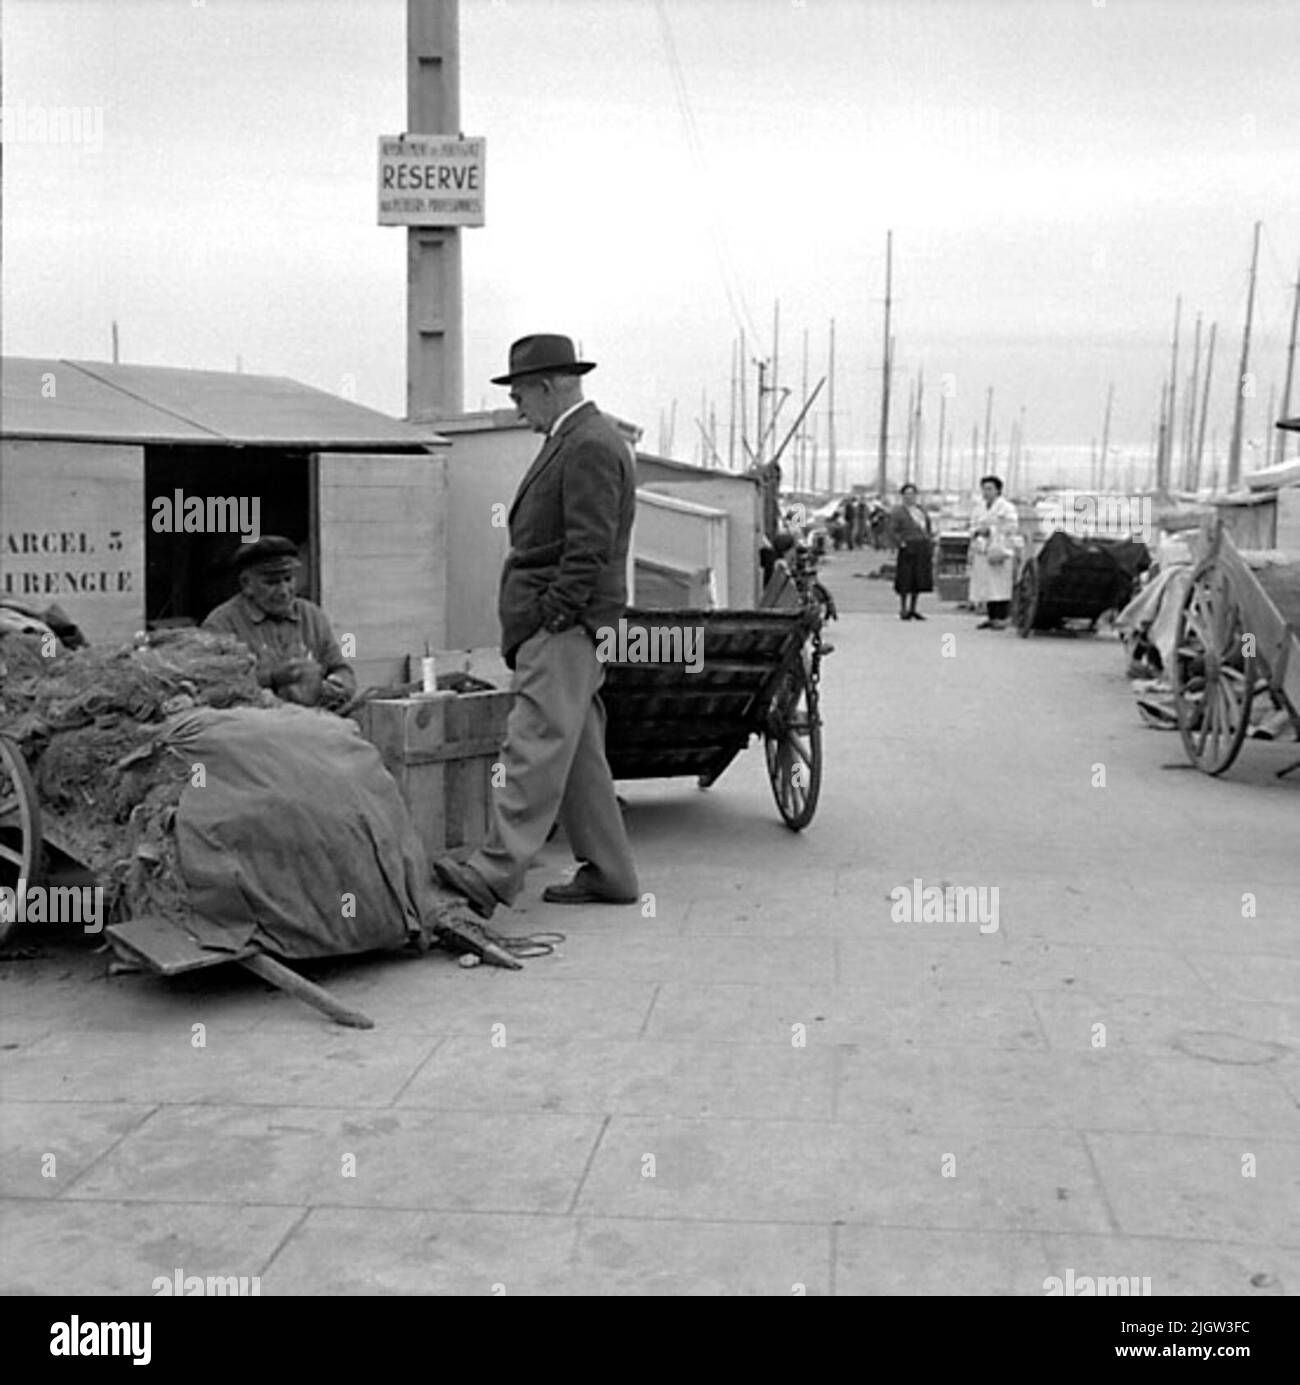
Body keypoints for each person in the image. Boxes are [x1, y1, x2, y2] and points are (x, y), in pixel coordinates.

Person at [434, 334, 639, 918]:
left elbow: (589, 545)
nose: (517, 406)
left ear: (549, 386)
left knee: (533, 744)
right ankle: (611, 872)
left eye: (521, 393)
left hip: (563, 628)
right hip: (571, 626)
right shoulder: (583, 439)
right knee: (577, 754)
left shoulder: (587, 445)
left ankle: (496, 870)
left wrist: (554, 612)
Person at [201, 536, 355, 708]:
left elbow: (342, 670)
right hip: (253, 726)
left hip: (314, 722)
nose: (283, 591)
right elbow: (211, 689)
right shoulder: (221, 624)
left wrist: (328, 687)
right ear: (247, 584)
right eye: (271, 582)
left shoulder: (312, 616)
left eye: (288, 579)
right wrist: (271, 678)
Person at [968, 475, 1021, 629]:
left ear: (998, 490)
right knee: (986, 585)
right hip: (982, 549)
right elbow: (972, 525)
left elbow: (1012, 527)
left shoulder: (1007, 507)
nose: (986, 492)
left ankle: (1001, 617)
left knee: (1000, 585)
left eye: (990, 489)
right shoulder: (979, 507)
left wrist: (991, 530)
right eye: (984, 489)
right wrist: (977, 531)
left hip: (1000, 549)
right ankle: (991, 617)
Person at [889, 482, 934, 620]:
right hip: (907, 546)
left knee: (918, 577)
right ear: (902, 496)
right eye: (907, 494)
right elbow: (892, 530)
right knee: (905, 578)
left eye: (912, 494)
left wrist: (929, 541)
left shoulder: (921, 511)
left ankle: (914, 608)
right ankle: (903, 608)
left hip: (921, 546)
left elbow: (928, 528)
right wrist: (900, 543)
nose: (910, 497)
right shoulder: (898, 512)